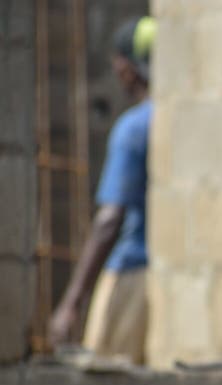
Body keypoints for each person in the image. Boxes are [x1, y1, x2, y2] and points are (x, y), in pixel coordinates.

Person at [49, 16, 157, 364]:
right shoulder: (171, 121)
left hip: (130, 273)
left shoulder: (132, 128)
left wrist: (72, 302)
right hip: (161, 275)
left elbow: (109, 219)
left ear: (126, 69)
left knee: (108, 378)